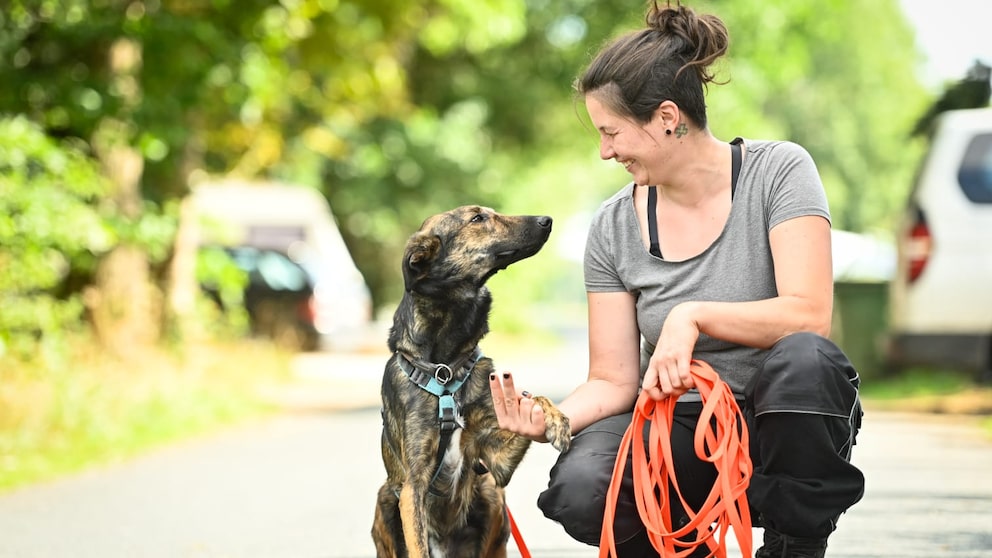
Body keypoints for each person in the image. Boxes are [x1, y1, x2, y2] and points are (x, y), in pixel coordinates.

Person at [488, 2, 865, 557]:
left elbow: (807, 314)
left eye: (612, 132)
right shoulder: (614, 225)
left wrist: (693, 315)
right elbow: (615, 379)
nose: (605, 151)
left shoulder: (780, 172)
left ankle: (793, 548)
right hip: (676, 428)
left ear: (668, 117)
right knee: (581, 488)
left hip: (775, 428)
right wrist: (555, 418)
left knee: (807, 360)